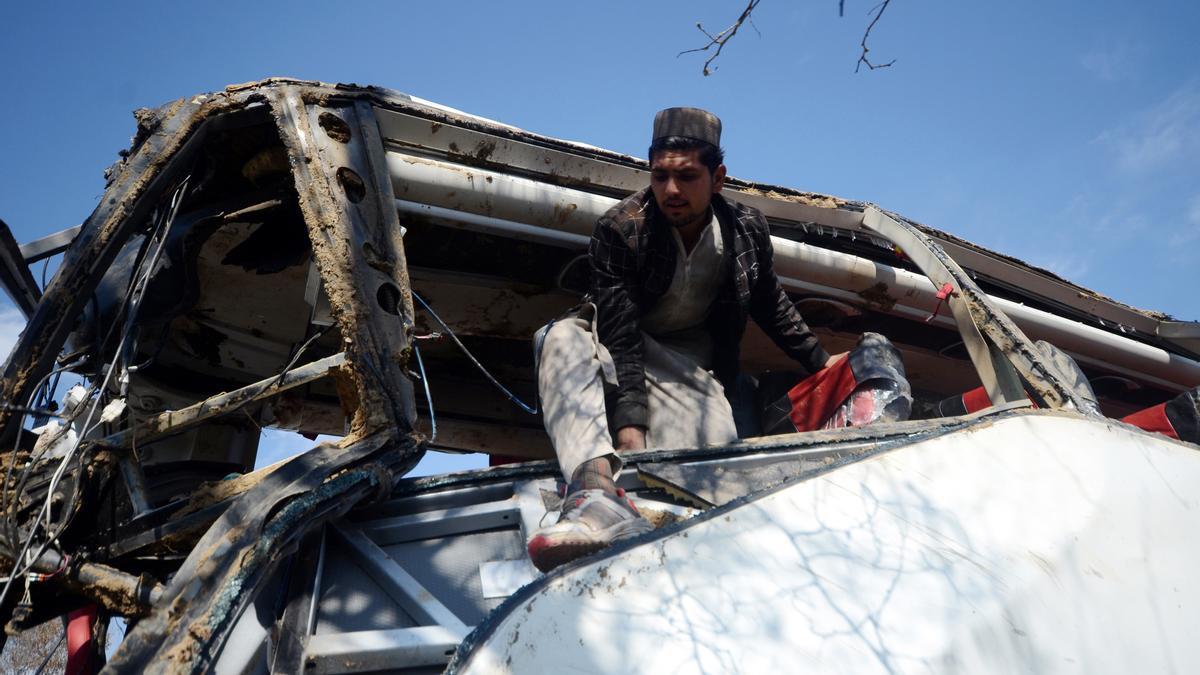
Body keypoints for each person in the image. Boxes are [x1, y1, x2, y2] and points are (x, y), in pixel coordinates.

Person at [526, 107, 844, 572]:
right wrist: (629, 422)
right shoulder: (622, 227)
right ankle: (594, 492)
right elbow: (619, 330)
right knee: (557, 339)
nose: (671, 190)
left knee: (712, 477)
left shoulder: (746, 230)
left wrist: (820, 362)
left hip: (689, 362)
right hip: (617, 346)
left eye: (687, 177)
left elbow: (769, 302)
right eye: (660, 176)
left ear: (717, 178)